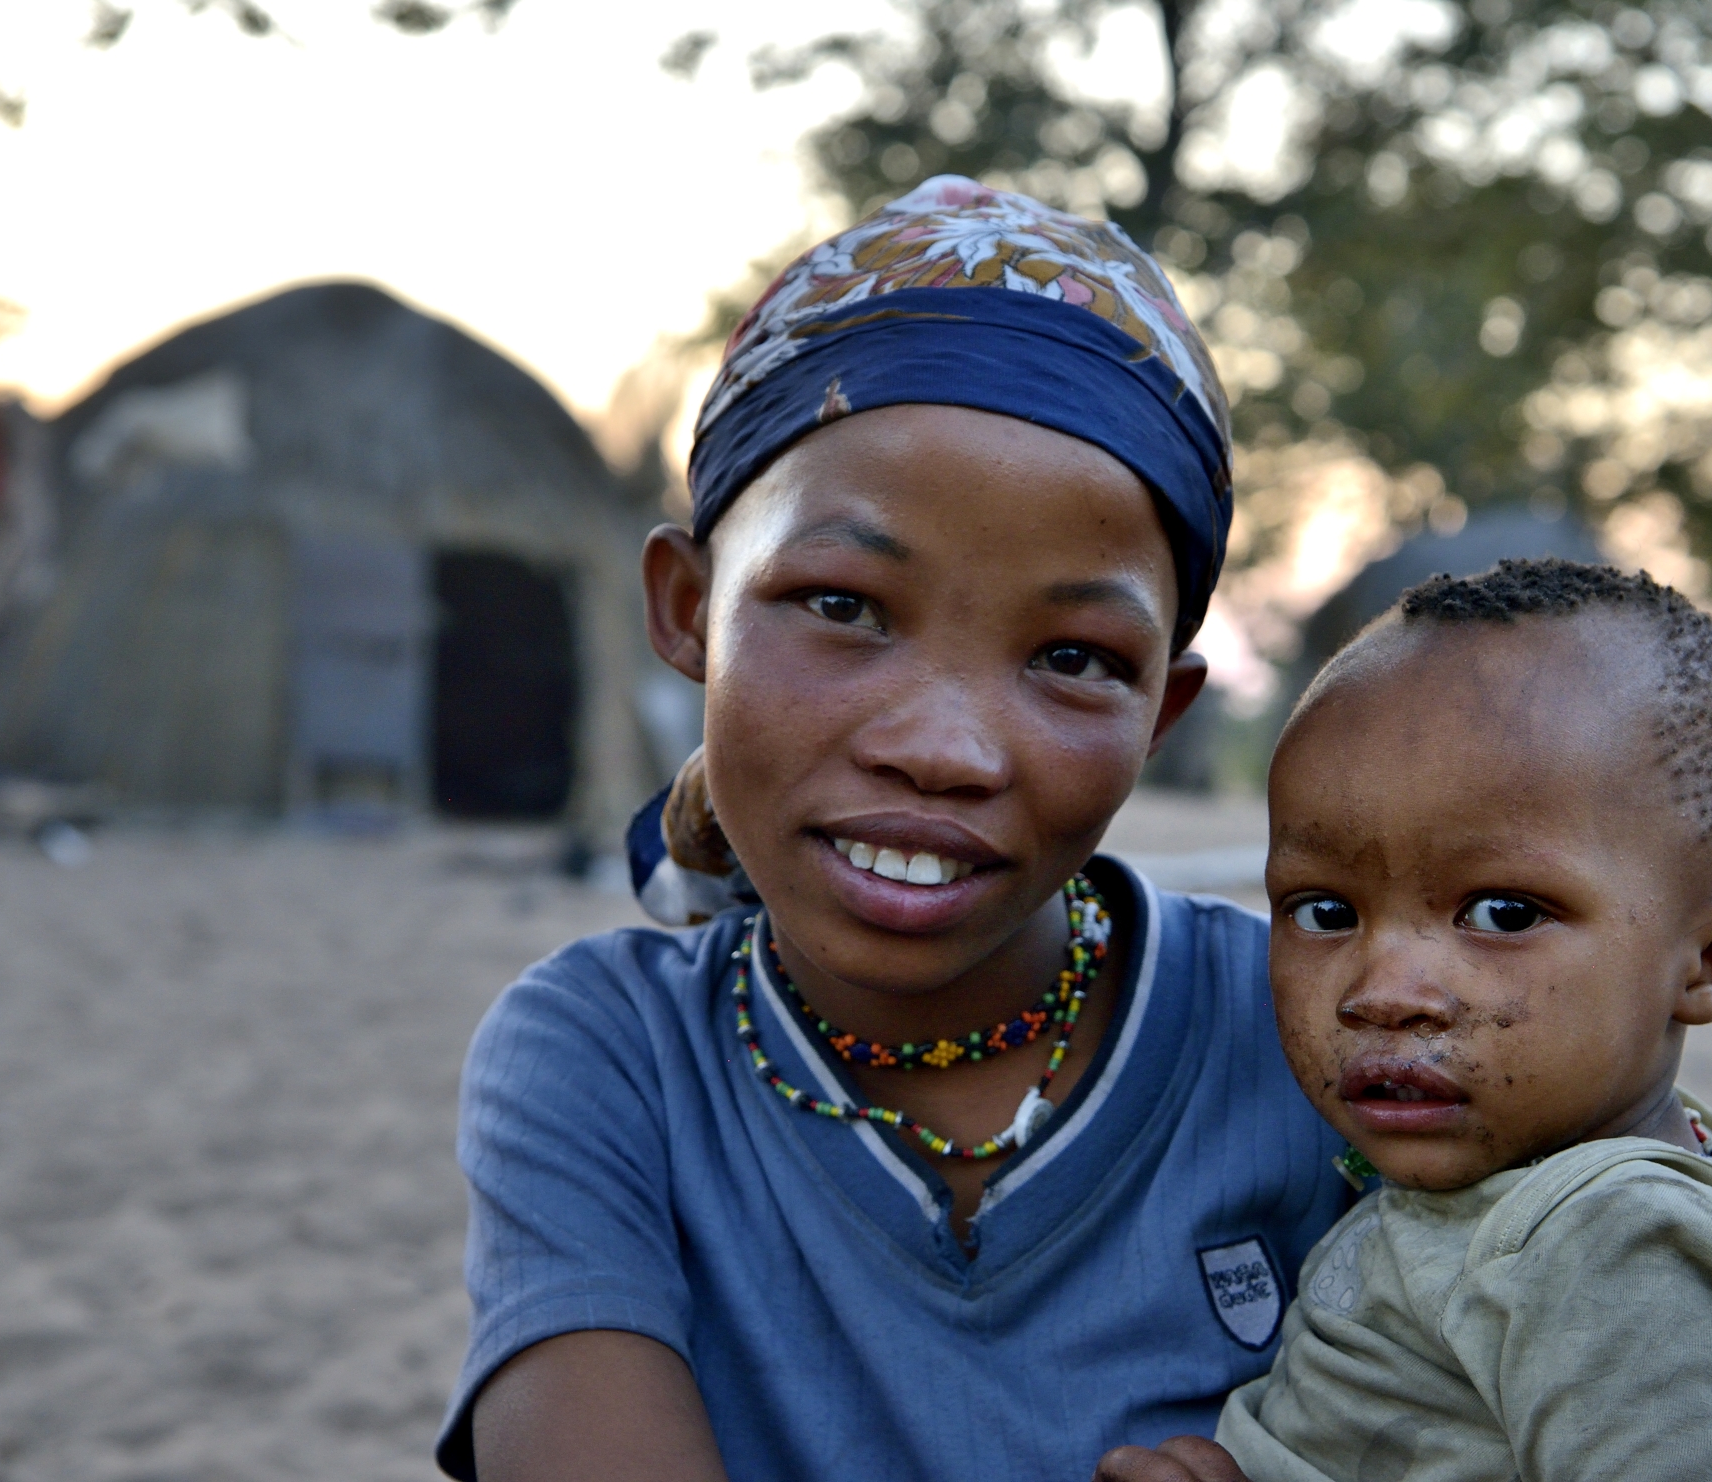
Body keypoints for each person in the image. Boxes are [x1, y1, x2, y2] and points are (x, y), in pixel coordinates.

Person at [436, 177, 1357, 1482]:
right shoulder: (611, 1061)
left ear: (1162, 709)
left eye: (1074, 657)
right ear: (688, 606)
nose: (942, 746)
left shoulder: (1312, 1033)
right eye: (842, 604)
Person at [1100, 559, 1712, 1482]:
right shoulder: (1542, 1181)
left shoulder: (1614, 1251)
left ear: (1707, 963)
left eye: (1503, 914)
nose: (1384, 990)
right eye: (1323, 911)